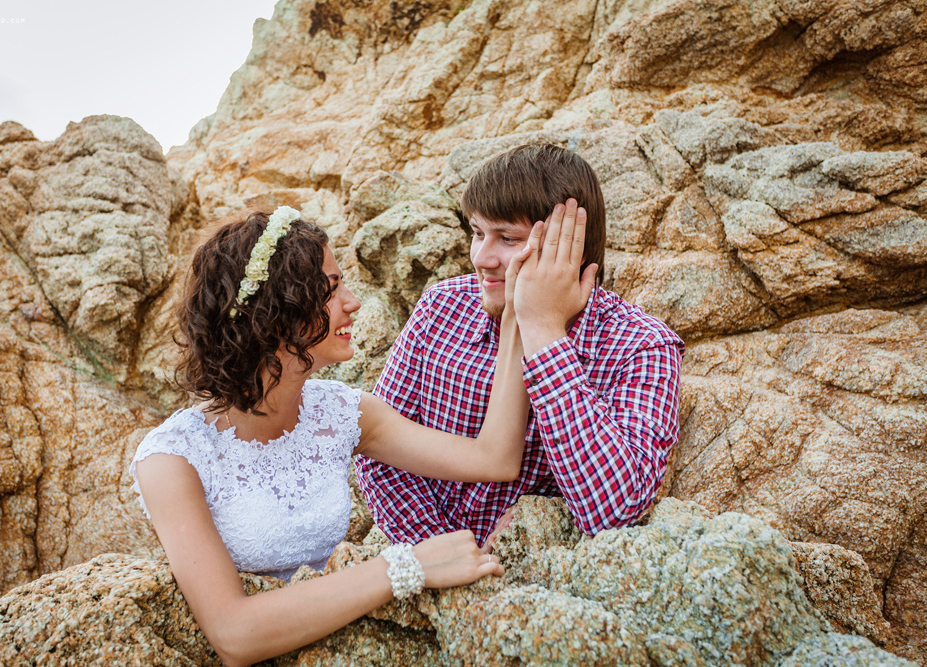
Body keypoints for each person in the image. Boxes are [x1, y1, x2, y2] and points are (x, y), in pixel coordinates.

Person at [130, 204, 592, 666]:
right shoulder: (173, 459)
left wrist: (519, 313)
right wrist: (408, 566)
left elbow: (494, 459)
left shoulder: (341, 411)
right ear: (276, 313)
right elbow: (234, 634)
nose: (353, 302)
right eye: (330, 290)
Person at [355, 143, 685, 550]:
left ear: (570, 247)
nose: (481, 257)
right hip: (428, 565)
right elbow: (378, 455)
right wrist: (447, 555)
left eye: (508, 238)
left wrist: (543, 328)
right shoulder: (441, 307)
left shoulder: (641, 345)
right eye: (477, 233)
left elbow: (613, 510)